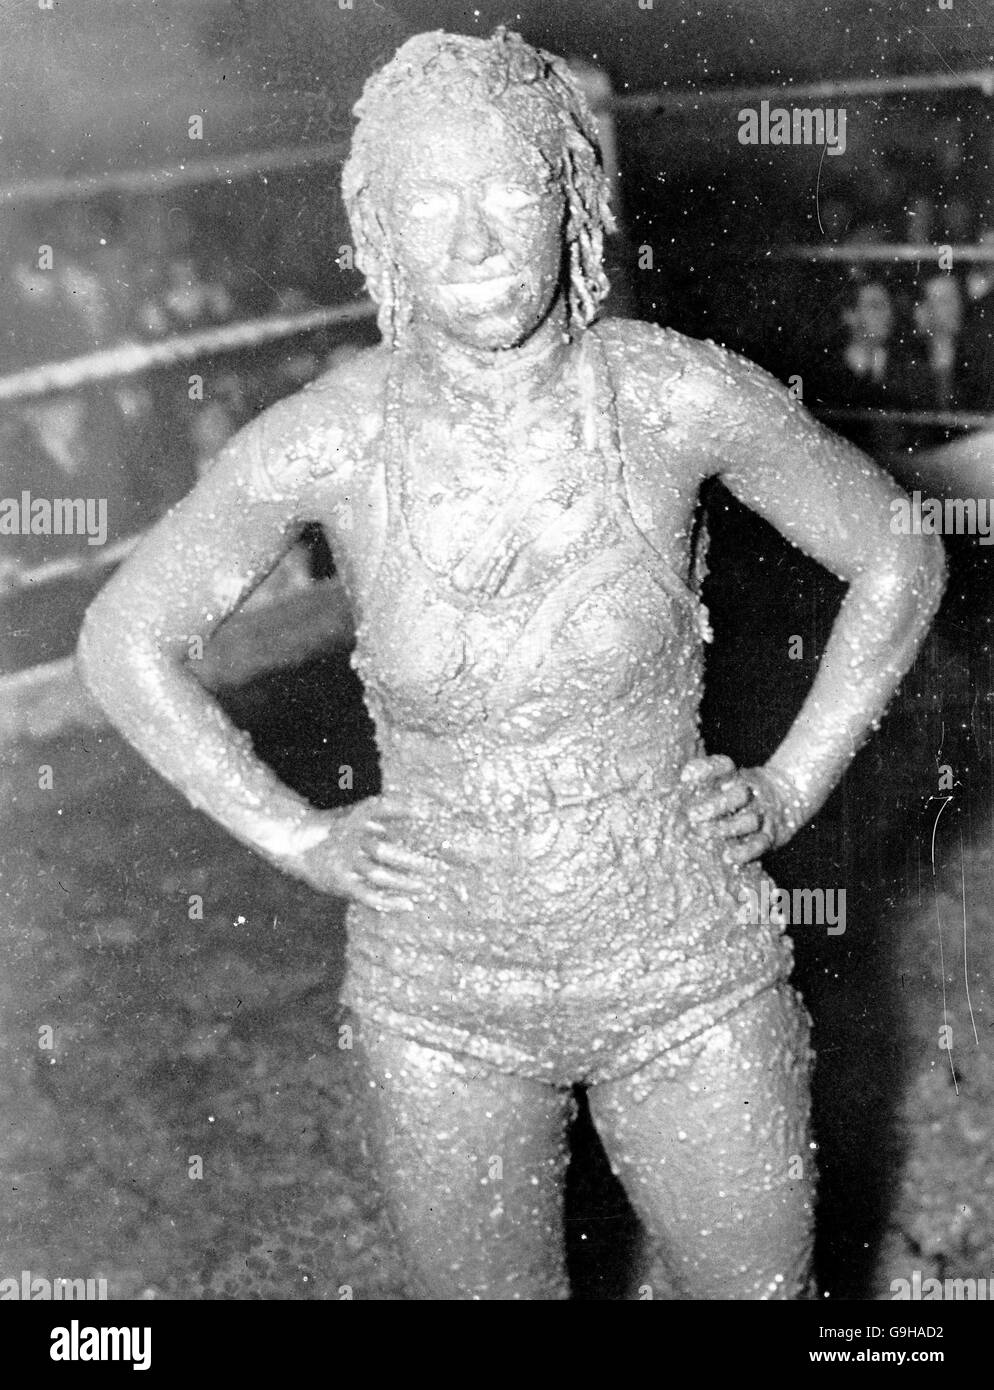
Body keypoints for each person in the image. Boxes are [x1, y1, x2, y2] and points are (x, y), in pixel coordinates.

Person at [77, 29, 946, 1300]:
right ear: (376, 225)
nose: (475, 242)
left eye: (511, 189)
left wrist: (795, 779)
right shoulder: (328, 438)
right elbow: (125, 638)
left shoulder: (670, 399)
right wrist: (294, 835)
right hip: (441, 996)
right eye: (430, 200)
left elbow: (898, 553)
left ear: (575, 198)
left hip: (683, 966)